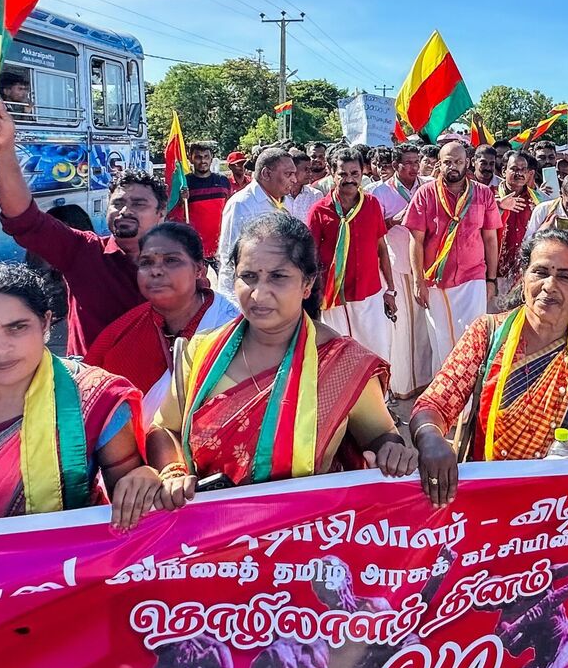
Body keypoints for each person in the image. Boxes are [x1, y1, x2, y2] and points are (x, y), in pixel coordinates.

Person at [148, 213, 417, 504]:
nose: (259, 294)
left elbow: (380, 435)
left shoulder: (341, 364)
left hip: (303, 526)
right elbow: (164, 428)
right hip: (210, 526)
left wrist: (391, 450)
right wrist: (172, 472)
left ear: (307, 284)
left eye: (278, 277)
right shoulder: (201, 353)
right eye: (248, 277)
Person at [0, 262, 157, 529]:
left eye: (17, 327)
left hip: (68, 553)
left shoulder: (95, 398)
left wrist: (146, 476)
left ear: (45, 323)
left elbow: (127, 504)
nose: (2, 348)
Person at [411, 229, 568, 506]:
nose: (549, 285)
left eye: (565, 276)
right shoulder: (488, 334)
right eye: (540, 272)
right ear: (523, 278)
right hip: (491, 496)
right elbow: (434, 403)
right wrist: (431, 438)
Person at [0, 100, 167, 354]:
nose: (125, 210)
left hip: (160, 379)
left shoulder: (176, 262)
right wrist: (4, 148)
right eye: (118, 203)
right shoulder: (82, 250)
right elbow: (23, 217)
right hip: (90, 378)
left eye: (139, 204)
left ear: (161, 214)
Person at [84, 223, 240, 426]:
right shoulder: (119, 335)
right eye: (146, 262)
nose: (156, 271)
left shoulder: (231, 328)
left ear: (199, 270)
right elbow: (88, 401)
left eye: (171, 260)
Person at [405, 140, 502, 376]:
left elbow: (491, 239)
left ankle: (470, 391)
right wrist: (418, 281)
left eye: (458, 161)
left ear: (467, 162)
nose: (453, 167)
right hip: (437, 280)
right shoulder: (425, 194)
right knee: (443, 341)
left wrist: (491, 280)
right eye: (447, 162)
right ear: (439, 164)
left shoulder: (483, 193)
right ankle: (446, 391)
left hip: (473, 277)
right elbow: (415, 241)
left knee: (474, 338)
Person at [308, 148, 396, 360]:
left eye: (355, 173)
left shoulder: (372, 204)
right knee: (339, 356)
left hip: (369, 292)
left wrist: (391, 289)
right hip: (334, 298)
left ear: (362, 172)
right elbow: (310, 256)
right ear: (332, 173)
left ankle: (378, 385)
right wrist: (313, 294)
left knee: (376, 353)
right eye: (343, 174)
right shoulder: (319, 210)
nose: (349, 179)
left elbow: (381, 248)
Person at [371, 145, 431, 399]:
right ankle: (402, 385)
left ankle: (428, 381)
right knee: (402, 328)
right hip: (397, 267)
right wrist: (393, 220)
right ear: (395, 165)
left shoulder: (429, 186)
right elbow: (372, 232)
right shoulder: (379, 192)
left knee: (426, 327)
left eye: (416, 161)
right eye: (408, 162)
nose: (414, 167)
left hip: (427, 267)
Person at [216, 147, 297, 298]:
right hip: (245, 293)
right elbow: (230, 255)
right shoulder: (242, 204)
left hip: (273, 289)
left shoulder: (286, 201)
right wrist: (235, 299)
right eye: (288, 174)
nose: (294, 180)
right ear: (266, 174)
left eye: (294, 174)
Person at [170, 142, 230, 263]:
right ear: (190, 159)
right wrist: (181, 200)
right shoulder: (184, 183)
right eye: (198, 157)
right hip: (195, 247)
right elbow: (173, 214)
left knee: (226, 276)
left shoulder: (223, 181)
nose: (203, 161)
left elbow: (230, 210)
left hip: (221, 246)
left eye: (206, 157)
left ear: (211, 159)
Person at [495, 151, 540, 298]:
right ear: (504, 171)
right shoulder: (489, 196)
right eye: (514, 169)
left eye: (523, 170)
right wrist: (498, 207)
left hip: (524, 272)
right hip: (493, 272)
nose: (519, 173)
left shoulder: (538, 200)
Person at [288, 148, 320, 222]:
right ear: (293, 169)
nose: (310, 173)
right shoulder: (278, 194)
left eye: (310, 169)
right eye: (306, 169)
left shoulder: (315, 195)